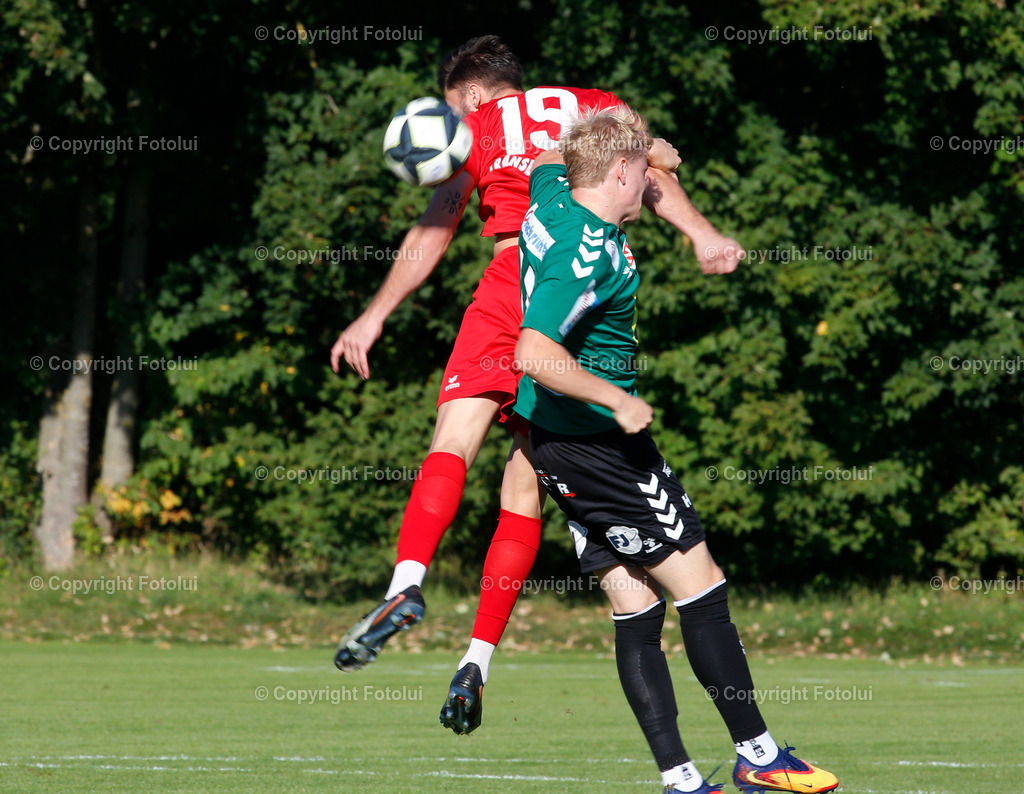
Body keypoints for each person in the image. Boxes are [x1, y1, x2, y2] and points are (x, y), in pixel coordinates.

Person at [331, 35, 741, 713]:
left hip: (512, 275)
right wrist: (703, 235)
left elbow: (438, 222)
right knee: (523, 487)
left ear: (469, 94)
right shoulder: (594, 111)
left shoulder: (477, 126)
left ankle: (406, 583)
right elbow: (653, 173)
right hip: (585, 292)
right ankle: (476, 660)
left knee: (453, 440)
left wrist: (374, 315)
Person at [510, 107, 839, 794]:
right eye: (641, 176)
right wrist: (618, 399)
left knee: (635, 604)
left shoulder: (550, 196)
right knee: (703, 587)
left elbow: (548, 154)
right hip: (602, 442)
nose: (647, 191)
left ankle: (682, 780)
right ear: (620, 173)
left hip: (552, 443)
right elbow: (533, 352)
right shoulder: (587, 251)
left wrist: (648, 146)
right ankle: (759, 754)